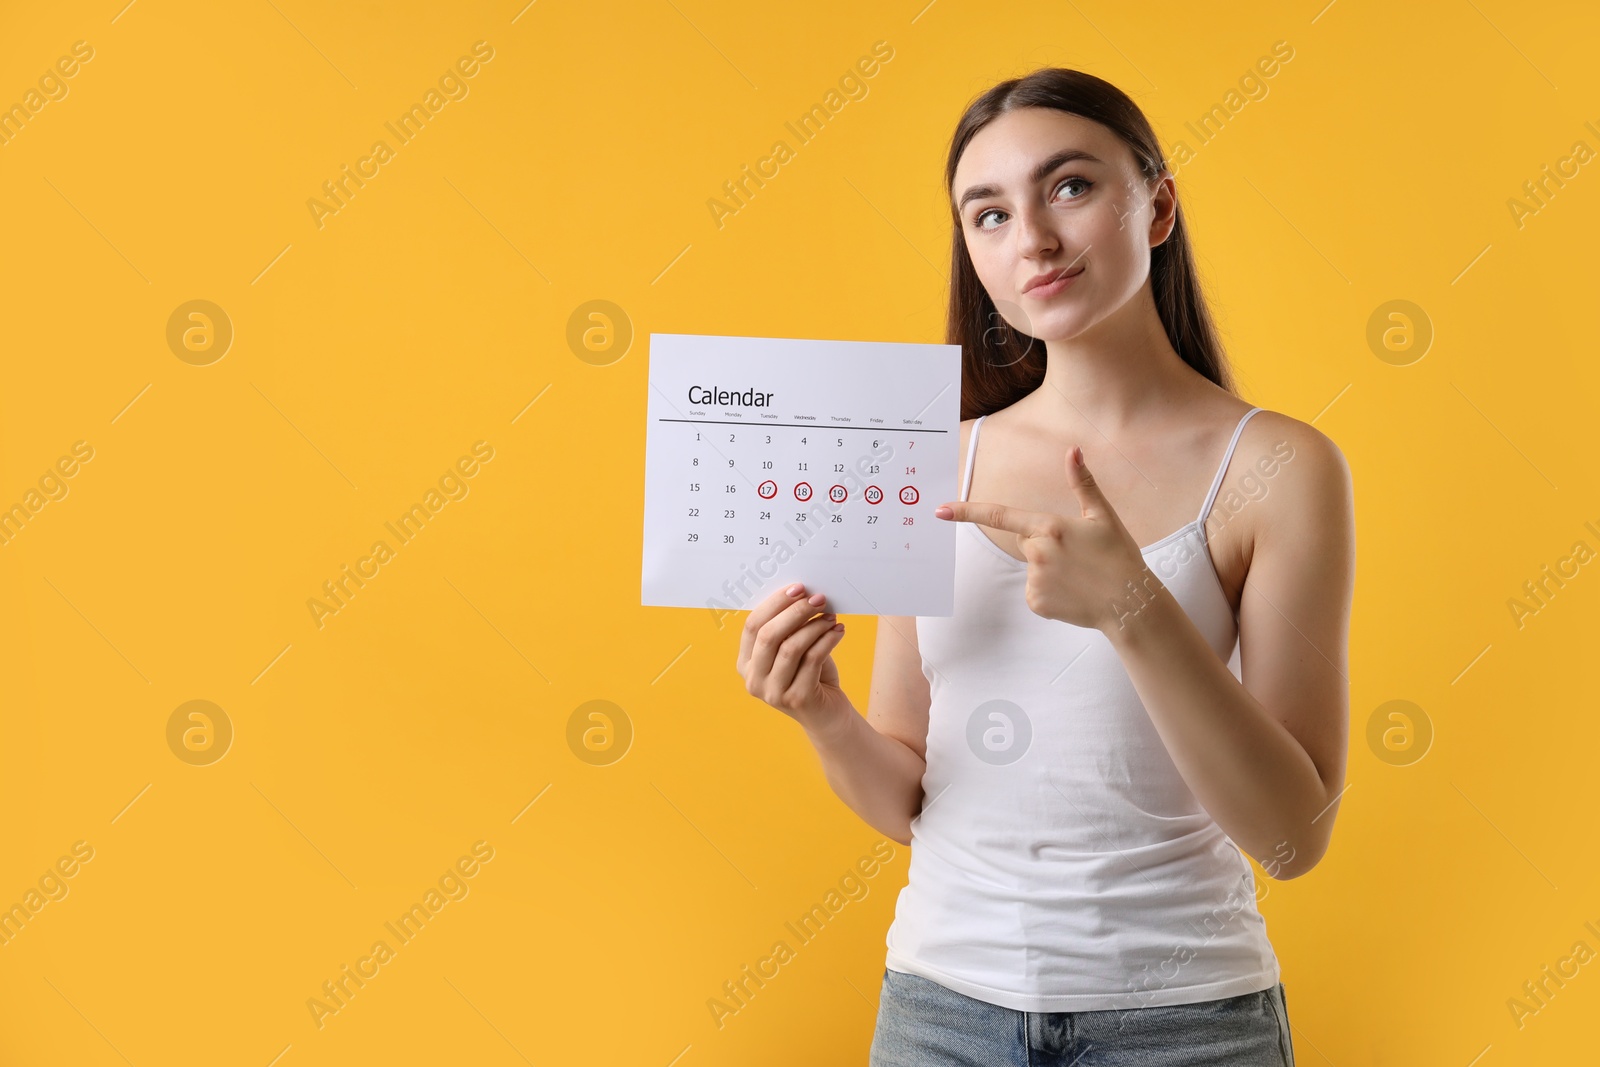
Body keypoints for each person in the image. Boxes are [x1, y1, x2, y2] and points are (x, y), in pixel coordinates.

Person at [735, 67, 1352, 1066]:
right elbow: (908, 796)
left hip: (1186, 1021)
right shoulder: (928, 455)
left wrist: (1132, 607)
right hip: (940, 1010)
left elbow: (1291, 837)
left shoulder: (1278, 468)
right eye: (986, 214)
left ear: (1156, 206)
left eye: (1069, 187)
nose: (1031, 239)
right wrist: (820, 711)